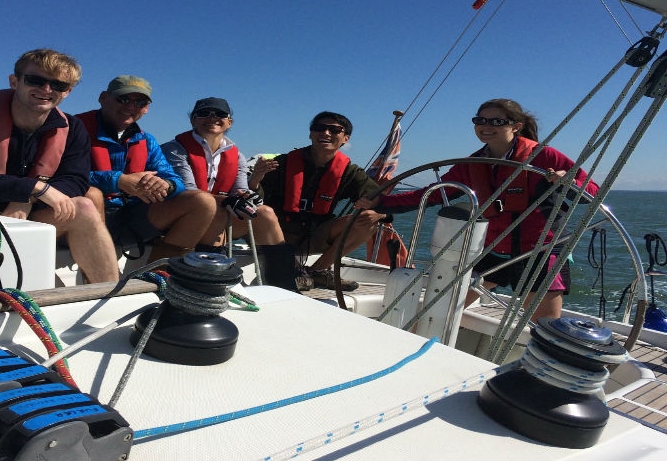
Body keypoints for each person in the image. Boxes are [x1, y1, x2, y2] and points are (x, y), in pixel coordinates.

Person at [356, 98, 599, 321]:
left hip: (539, 251)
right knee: (437, 311)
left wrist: (568, 182)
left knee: (546, 330)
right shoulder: (473, 163)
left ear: (516, 126)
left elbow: (592, 192)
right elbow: (433, 194)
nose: (486, 126)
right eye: (480, 120)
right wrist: (380, 202)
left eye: (497, 121)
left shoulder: (543, 155)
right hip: (494, 249)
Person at [0, 49, 120, 284]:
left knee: (85, 207)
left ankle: (109, 295)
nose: (46, 90)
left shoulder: (73, 129)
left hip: (29, 214)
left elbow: (76, 179)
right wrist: (30, 189)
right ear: (15, 81)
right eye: (36, 80)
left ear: (67, 92)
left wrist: (26, 198)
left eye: (57, 85)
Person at [75, 76, 217, 262]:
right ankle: (96, 279)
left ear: (146, 108)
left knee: (203, 202)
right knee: (90, 196)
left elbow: (174, 179)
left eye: (140, 102)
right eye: (123, 99)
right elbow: (61, 176)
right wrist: (120, 181)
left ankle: (159, 275)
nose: (131, 107)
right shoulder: (73, 130)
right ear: (103, 98)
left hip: (133, 217)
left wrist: (165, 184)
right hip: (84, 218)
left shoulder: (147, 140)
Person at [250, 111, 386, 291]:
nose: (326, 133)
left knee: (367, 222)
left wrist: (378, 212)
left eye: (335, 130)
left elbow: (379, 200)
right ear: (311, 134)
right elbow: (252, 199)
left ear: (345, 138)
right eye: (319, 128)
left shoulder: (350, 172)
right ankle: (291, 269)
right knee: (260, 213)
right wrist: (255, 179)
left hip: (315, 236)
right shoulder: (281, 163)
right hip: (277, 235)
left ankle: (317, 272)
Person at [161, 97, 292, 260]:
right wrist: (226, 201)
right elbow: (188, 192)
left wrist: (248, 197)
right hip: (179, 215)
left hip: (218, 215)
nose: (212, 118)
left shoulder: (237, 156)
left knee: (265, 213)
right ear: (193, 120)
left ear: (229, 122)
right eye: (204, 113)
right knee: (213, 210)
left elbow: (240, 190)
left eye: (220, 114)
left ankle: (282, 279)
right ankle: (209, 274)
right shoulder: (174, 150)